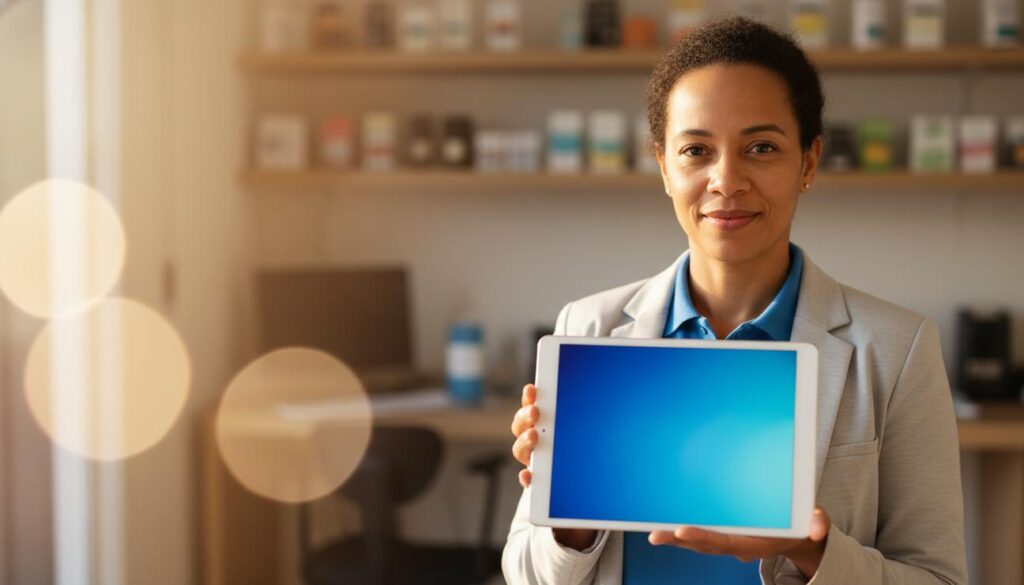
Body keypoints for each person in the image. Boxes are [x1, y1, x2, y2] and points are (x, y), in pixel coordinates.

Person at [502, 16, 966, 585]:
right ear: (664, 168)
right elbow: (529, 575)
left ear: (809, 163)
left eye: (761, 147)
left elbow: (937, 577)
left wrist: (810, 549)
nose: (726, 179)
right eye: (696, 149)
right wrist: (568, 517)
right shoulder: (589, 328)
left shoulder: (896, 350)